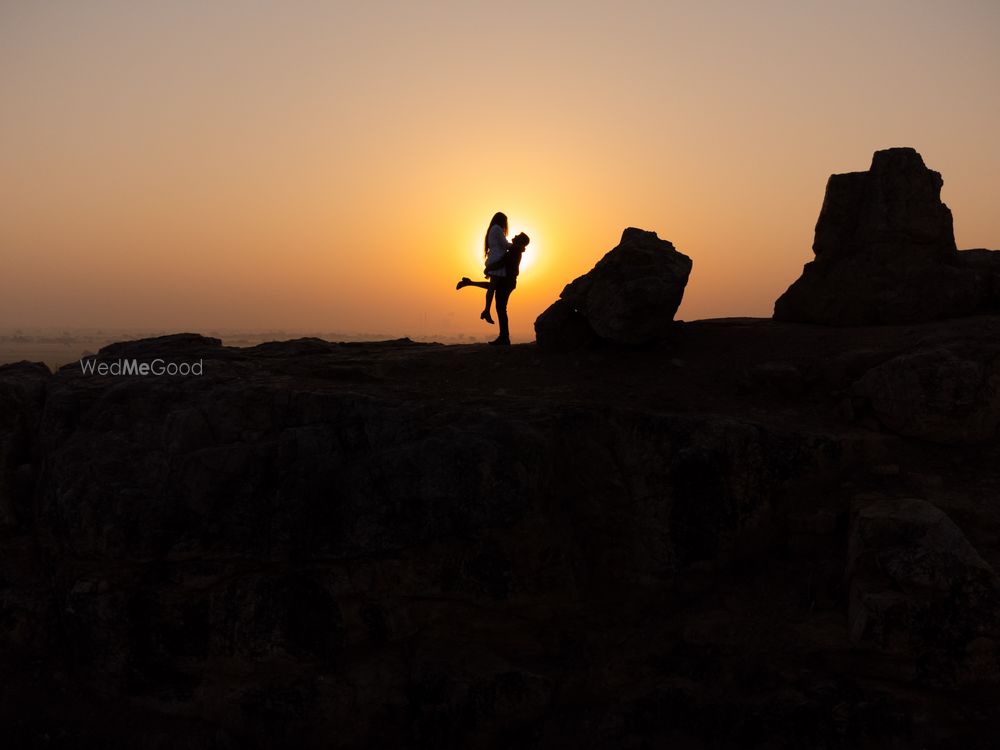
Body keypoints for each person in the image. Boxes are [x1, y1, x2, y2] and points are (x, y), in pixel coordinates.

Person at [456, 212, 512, 326]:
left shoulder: (493, 229)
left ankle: (470, 283)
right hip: (497, 260)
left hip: (494, 258)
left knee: (493, 286)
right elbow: (505, 245)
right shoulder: (497, 229)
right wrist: (517, 246)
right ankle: (486, 310)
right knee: (492, 287)